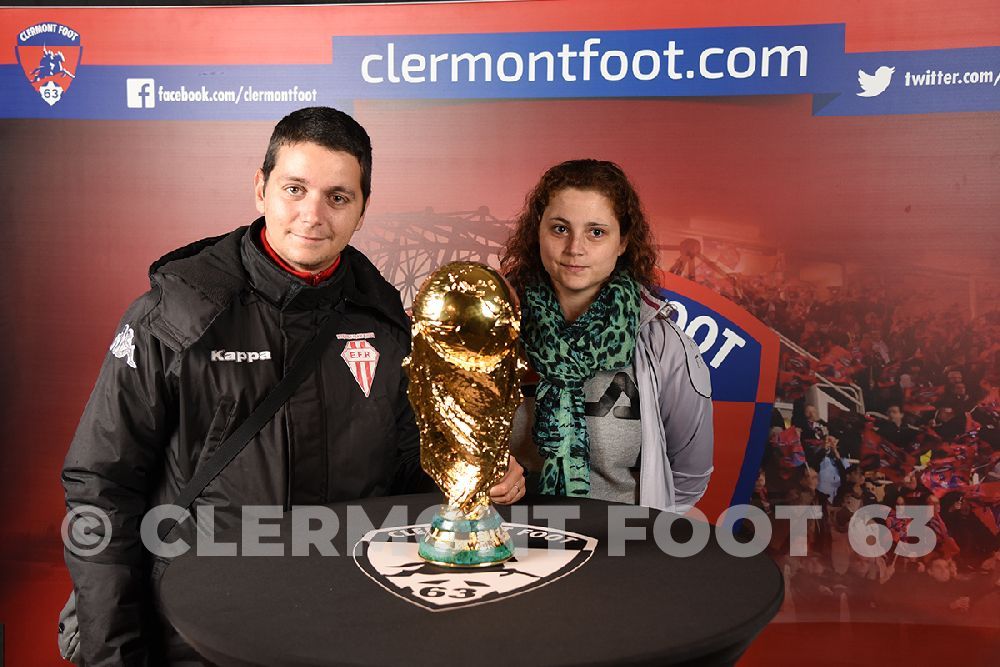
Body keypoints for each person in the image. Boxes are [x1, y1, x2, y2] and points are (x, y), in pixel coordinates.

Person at [61, 107, 524, 665]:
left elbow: (402, 467)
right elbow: (101, 487)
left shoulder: (381, 321)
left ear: (361, 209)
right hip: (198, 630)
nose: (312, 215)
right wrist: (116, 655)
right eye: (294, 189)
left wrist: (470, 478)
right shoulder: (176, 315)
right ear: (260, 189)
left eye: (337, 196)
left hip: (349, 625)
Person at [500, 159, 712, 513]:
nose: (575, 248)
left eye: (596, 232)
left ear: (623, 242)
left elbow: (688, 477)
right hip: (507, 544)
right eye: (560, 229)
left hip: (619, 551)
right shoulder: (494, 328)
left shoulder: (661, 344)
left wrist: (640, 537)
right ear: (537, 231)